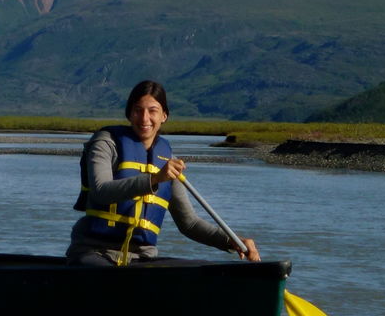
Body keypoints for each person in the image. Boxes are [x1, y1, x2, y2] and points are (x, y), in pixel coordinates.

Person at [66, 79, 261, 267]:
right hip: (94, 253)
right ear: (129, 114)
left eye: (153, 111)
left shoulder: (167, 161)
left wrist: (231, 241)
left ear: (164, 116)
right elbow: (100, 191)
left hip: (141, 258)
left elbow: (189, 224)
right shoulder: (105, 143)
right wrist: (155, 178)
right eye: (138, 111)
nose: (144, 119)